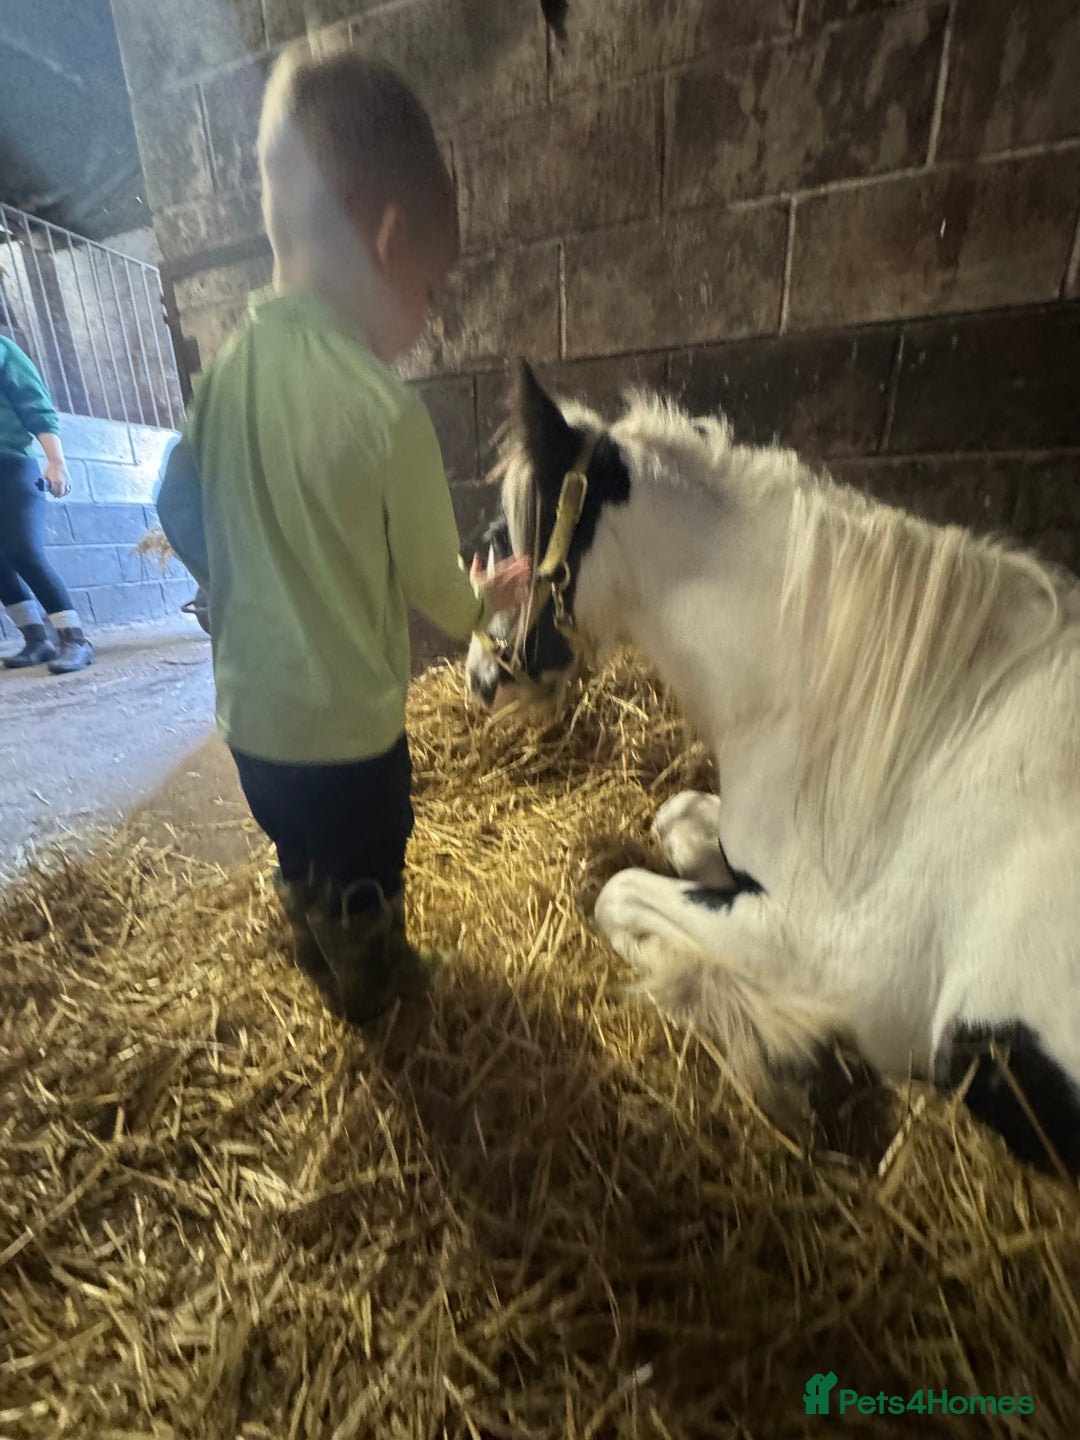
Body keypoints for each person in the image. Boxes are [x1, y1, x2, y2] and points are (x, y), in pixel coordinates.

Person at [156, 43, 531, 1026]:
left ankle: (309, 936)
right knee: (367, 854)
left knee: (295, 850)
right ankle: (370, 974)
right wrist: (487, 600)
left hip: (249, 731)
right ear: (388, 240)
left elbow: (174, 505)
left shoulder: (222, 379)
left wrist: (231, 584)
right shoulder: (384, 413)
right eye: (432, 287)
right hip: (350, 744)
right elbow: (435, 591)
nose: (430, 314)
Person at [0, 335, 93, 673]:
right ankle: (36, 640)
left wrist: (56, 461)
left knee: (24, 551)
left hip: (10, 466)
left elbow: (35, 405)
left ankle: (75, 640)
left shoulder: (3, 350)